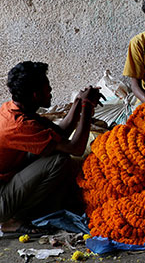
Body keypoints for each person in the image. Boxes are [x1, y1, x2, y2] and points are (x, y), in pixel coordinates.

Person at [0, 61, 103, 234]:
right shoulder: (19, 125)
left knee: (54, 151)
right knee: (59, 160)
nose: (51, 91)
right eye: (47, 88)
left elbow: (59, 133)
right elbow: (75, 148)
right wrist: (87, 107)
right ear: (35, 95)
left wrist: (78, 102)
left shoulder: (14, 108)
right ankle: (14, 219)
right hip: (2, 197)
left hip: (7, 178)